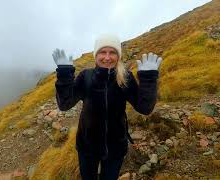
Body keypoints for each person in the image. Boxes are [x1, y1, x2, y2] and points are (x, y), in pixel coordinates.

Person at [52, 34, 162, 180]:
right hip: (87, 146)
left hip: (116, 147)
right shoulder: (86, 76)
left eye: (113, 52)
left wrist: (148, 79)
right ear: (96, 55)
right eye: (103, 52)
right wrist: (65, 75)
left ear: (119, 56)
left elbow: (145, 108)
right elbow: (65, 104)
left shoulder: (126, 77)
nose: (107, 57)